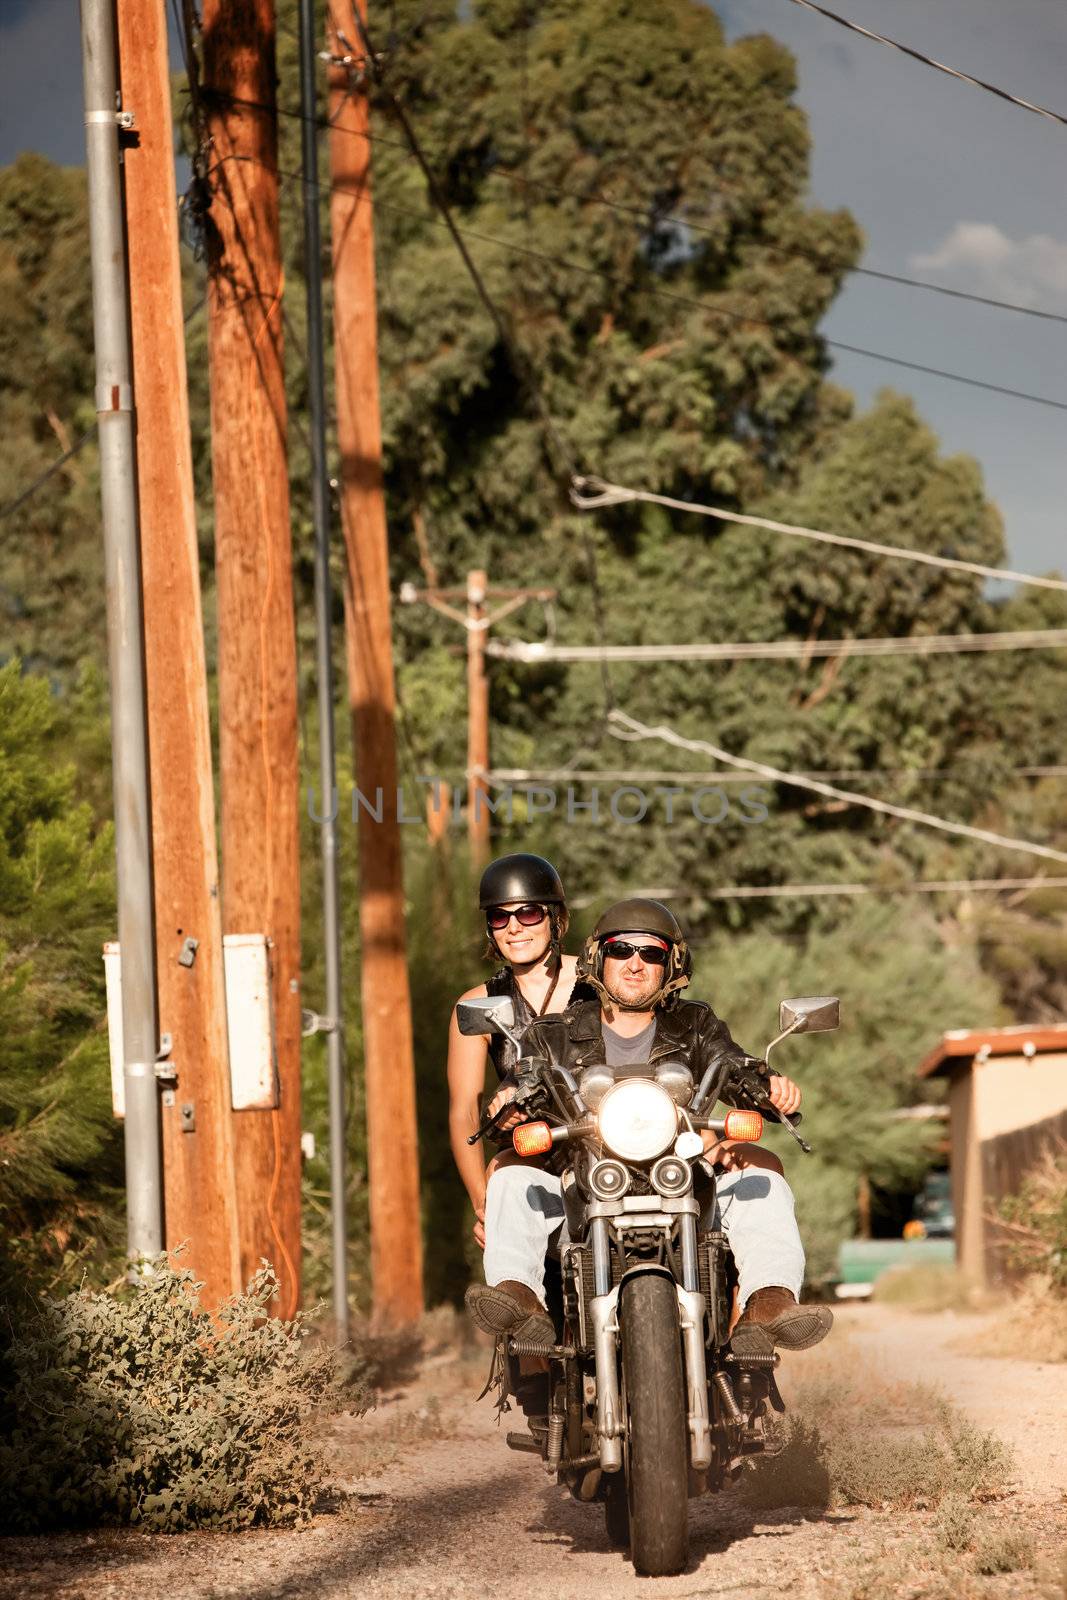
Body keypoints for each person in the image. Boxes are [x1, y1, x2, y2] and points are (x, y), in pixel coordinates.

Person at [465, 897, 833, 1357]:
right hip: (584, 1184)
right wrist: (509, 1102)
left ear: (670, 964)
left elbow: (732, 1064)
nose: (634, 964)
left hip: (681, 1179)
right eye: (621, 950)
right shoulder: (551, 1033)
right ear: (599, 957)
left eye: (651, 954)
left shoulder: (695, 1025)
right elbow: (524, 1082)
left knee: (762, 1174)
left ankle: (770, 1300)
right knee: (510, 1178)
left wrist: (768, 1084)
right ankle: (521, 1299)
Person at [447, 853, 594, 1254]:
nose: (513, 928)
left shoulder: (599, 984)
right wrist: (481, 1201)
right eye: (499, 917)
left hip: (613, 1137)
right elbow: (463, 1109)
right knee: (501, 1182)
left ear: (555, 918)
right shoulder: (478, 1003)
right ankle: (519, 1306)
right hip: (534, 1147)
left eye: (528, 914)